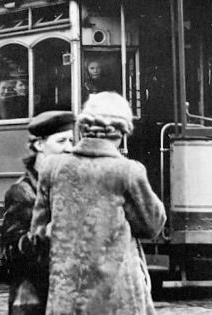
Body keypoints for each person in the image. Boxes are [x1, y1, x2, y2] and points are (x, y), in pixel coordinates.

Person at [30, 92, 166, 315]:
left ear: (83, 127)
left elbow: (37, 235)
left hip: (67, 298)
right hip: (117, 301)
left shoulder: (52, 168)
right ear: (122, 132)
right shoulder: (128, 171)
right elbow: (152, 226)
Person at [0, 111, 75, 315]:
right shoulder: (22, 192)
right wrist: (49, 232)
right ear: (39, 145)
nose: (69, 148)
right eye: (61, 141)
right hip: (34, 302)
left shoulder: (68, 186)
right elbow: (12, 251)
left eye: (71, 140)